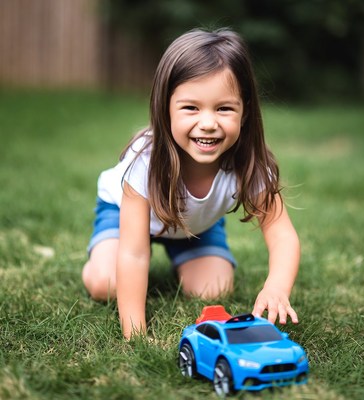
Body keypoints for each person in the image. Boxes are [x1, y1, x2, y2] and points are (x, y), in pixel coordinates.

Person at [82, 28, 300, 339]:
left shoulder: (248, 164)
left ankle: (184, 256)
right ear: (165, 107)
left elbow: (282, 235)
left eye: (224, 108)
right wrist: (136, 335)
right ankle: (99, 257)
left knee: (214, 289)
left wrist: (277, 286)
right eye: (191, 108)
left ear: (245, 110)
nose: (208, 123)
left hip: (194, 225)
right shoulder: (144, 161)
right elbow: (134, 253)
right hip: (127, 217)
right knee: (107, 283)